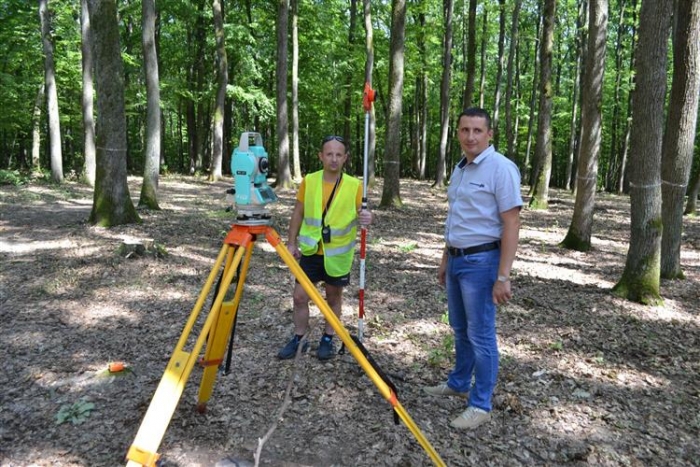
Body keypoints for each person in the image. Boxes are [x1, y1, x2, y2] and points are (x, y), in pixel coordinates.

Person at [424, 107, 522, 429]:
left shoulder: (501, 169)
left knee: (481, 334)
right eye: (465, 130)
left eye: (477, 130)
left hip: (482, 263)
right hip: (456, 259)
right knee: (460, 328)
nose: (470, 136)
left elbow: (511, 224)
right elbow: (457, 217)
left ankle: (480, 404)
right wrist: (444, 258)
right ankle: (458, 382)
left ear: (489, 134)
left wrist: (503, 276)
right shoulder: (461, 169)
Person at [278, 135, 373, 361]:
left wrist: (369, 217)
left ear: (345, 158)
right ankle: (300, 338)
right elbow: (298, 212)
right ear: (321, 156)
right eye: (329, 154)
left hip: (337, 255)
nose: (333, 159)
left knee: (333, 298)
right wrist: (291, 242)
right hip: (311, 251)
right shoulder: (309, 181)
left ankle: (328, 338)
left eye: (338, 154)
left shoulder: (354, 185)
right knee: (300, 297)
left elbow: (364, 214)